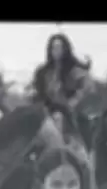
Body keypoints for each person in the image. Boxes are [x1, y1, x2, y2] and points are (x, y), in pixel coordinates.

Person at [31, 33, 93, 162]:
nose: (56, 51)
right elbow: (37, 92)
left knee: (79, 146)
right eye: (53, 48)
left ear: (65, 49)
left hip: (68, 114)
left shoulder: (74, 70)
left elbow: (87, 85)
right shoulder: (44, 72)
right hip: (46, 112)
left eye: (59, 47)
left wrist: (74, 100)